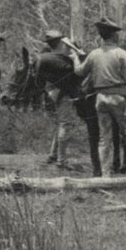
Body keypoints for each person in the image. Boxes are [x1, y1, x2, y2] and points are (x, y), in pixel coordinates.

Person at [79, 19, 126, 176]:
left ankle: (106, 174)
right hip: (119, 97)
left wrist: (75, 59)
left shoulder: (94, 54)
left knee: (104, 138)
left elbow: (80, 72)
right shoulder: (121, 53)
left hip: (100, 98)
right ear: (114, 35)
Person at [38, 29, 85, 166]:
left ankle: (53, 155)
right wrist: (77, 54)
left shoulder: (46, 57)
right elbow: (79, 73)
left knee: (59, 125)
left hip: (49, 95)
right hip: (62, 95)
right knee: (65, 125)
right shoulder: (63, 61)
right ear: (60, 42)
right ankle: (62, 160)